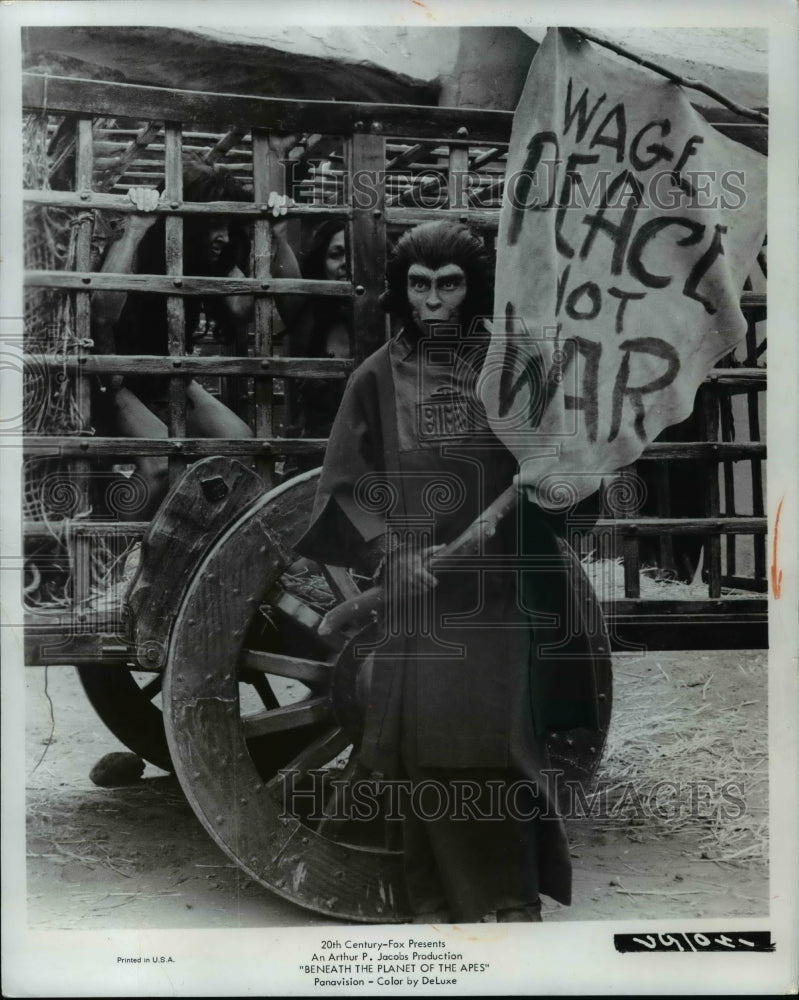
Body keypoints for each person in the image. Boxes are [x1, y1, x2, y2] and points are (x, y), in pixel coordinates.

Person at [295, 220, 601, 924]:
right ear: (401, 291)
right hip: (421, 596)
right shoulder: (375, 375)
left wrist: (515, 510)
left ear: (475, 289)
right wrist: (390, 554)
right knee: (429, 752)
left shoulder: (513, 363)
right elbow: (346, 479)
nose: (433, 300)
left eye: (450, 284)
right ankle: (445, 904)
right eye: (420, 284)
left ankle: (514, 897)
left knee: (503, 745)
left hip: (503, 587)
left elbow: (558, 461)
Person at [91, 145, 300, 513]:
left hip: (167, 377)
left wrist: (274, 235)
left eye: (227, 225)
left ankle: (189, 537)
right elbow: (102, 312)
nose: (222, 236)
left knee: (241, 445)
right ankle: (115, 547)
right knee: (159, 468)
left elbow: (244, 307)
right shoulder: (142, 241)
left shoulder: (210, 260)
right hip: (113, 379)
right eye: (213, 224)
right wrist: (136, 228)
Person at [282, 221, 351, 460]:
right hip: (317, 457)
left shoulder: (396, 322)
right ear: (321, 263)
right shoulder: (307, 317)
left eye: (357, 253)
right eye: (336, 254)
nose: (346, 264)